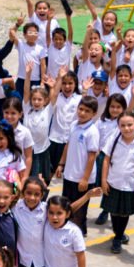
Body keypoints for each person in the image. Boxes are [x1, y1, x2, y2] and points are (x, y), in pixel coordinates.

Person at [55, 96, 100, 235]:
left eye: (87, 111)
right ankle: (68, 230)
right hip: (69, 174)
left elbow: (92, 156)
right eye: (80, 109)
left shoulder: (92, 131)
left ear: (93, 114)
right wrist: (61, 164)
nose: (82, 113)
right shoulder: (74, 125)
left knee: (80, 209)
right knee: (67, 205)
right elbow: (68, 146)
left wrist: (85, 179)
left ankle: (79, 233)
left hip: (82, 177)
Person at [100, 111, 134, 254]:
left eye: (130, 125)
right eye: (123, 125)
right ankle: (119, 234)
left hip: (129, 184)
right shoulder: (114, 141)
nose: (127, 128)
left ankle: (118, 237)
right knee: (114, 211)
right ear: (118, 126)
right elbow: (106, 160)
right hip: (114, 182)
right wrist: (103, 180)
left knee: (124, 213)